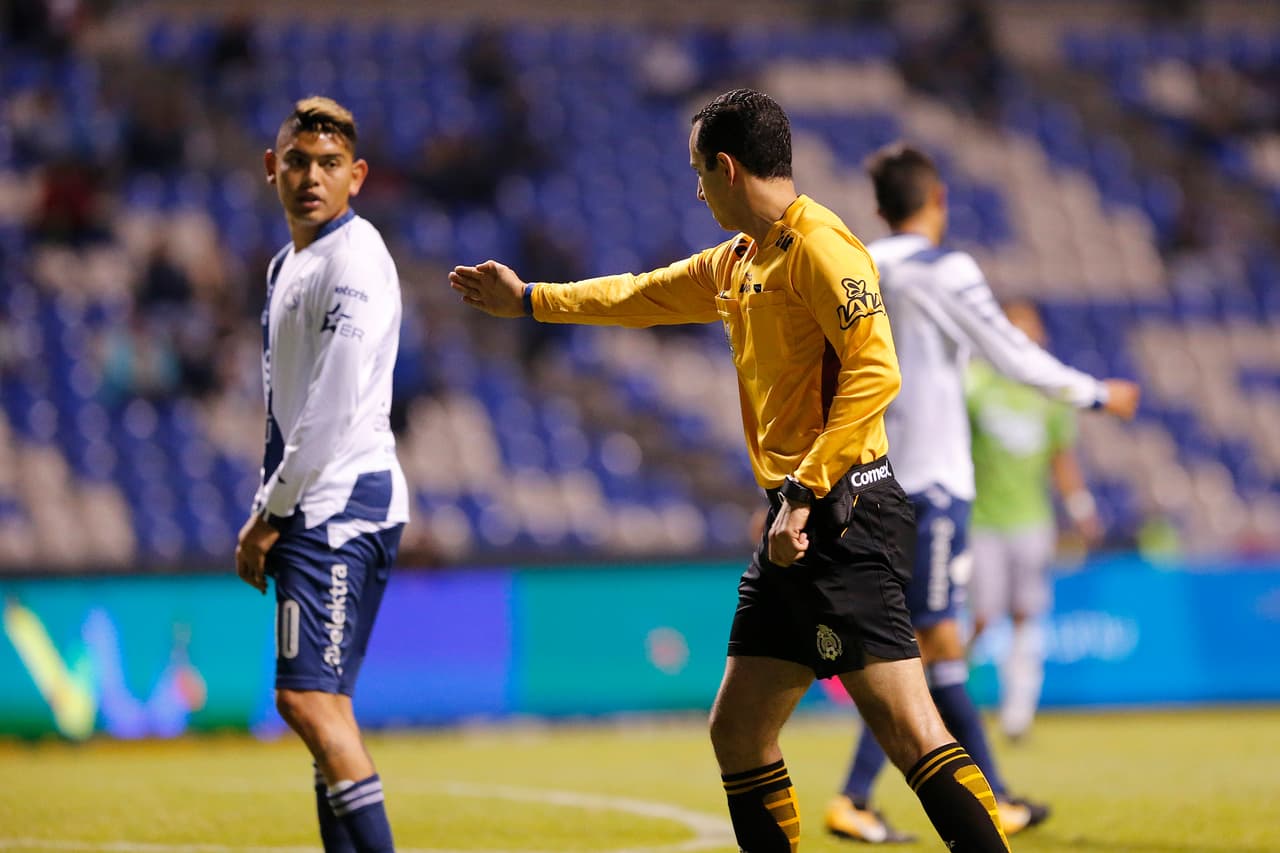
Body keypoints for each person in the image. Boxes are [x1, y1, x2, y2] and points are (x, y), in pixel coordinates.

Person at [452, 88, 1014, 853]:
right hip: (798, 517)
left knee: (911, 730)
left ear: (726, 167)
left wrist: (806, 491)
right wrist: (531, 300)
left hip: (843, 512)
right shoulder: (743, 259)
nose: (696, 190)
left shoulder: (823, 246)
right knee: (739, 728)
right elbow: (642, 295)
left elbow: (876, 371)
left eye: (698, 173)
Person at [823, 144, 1139, 844]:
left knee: (932, 644)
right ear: (937, 199)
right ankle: (870, 795)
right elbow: (1009, 350)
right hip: (931, 484)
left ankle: (987, 792)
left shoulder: (858, 267)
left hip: (877, 478)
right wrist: (1093, 392)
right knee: (923, 644)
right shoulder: (945, 268)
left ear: (878, 207)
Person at [235, 96, 408, 853]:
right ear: (273, 168)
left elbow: (333, 404)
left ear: (357, 176)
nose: (312, 176)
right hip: (315, 504)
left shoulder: (355, 261)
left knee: (307, 700)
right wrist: (272, 503)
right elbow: (288, 401)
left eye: (330, 164)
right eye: (299, 161)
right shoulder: (288, 261)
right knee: (324, 705)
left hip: (338, 508)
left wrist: (268, 511)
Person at [966, 300, 1102, 743]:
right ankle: (943, 698)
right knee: (980, 616)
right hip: (980, 519)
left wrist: (1080, 507)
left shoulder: (1049, 392)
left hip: (1031, 521)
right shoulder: (976, 384)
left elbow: (1062, 456)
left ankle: (1017, 713)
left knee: (1026, 613)